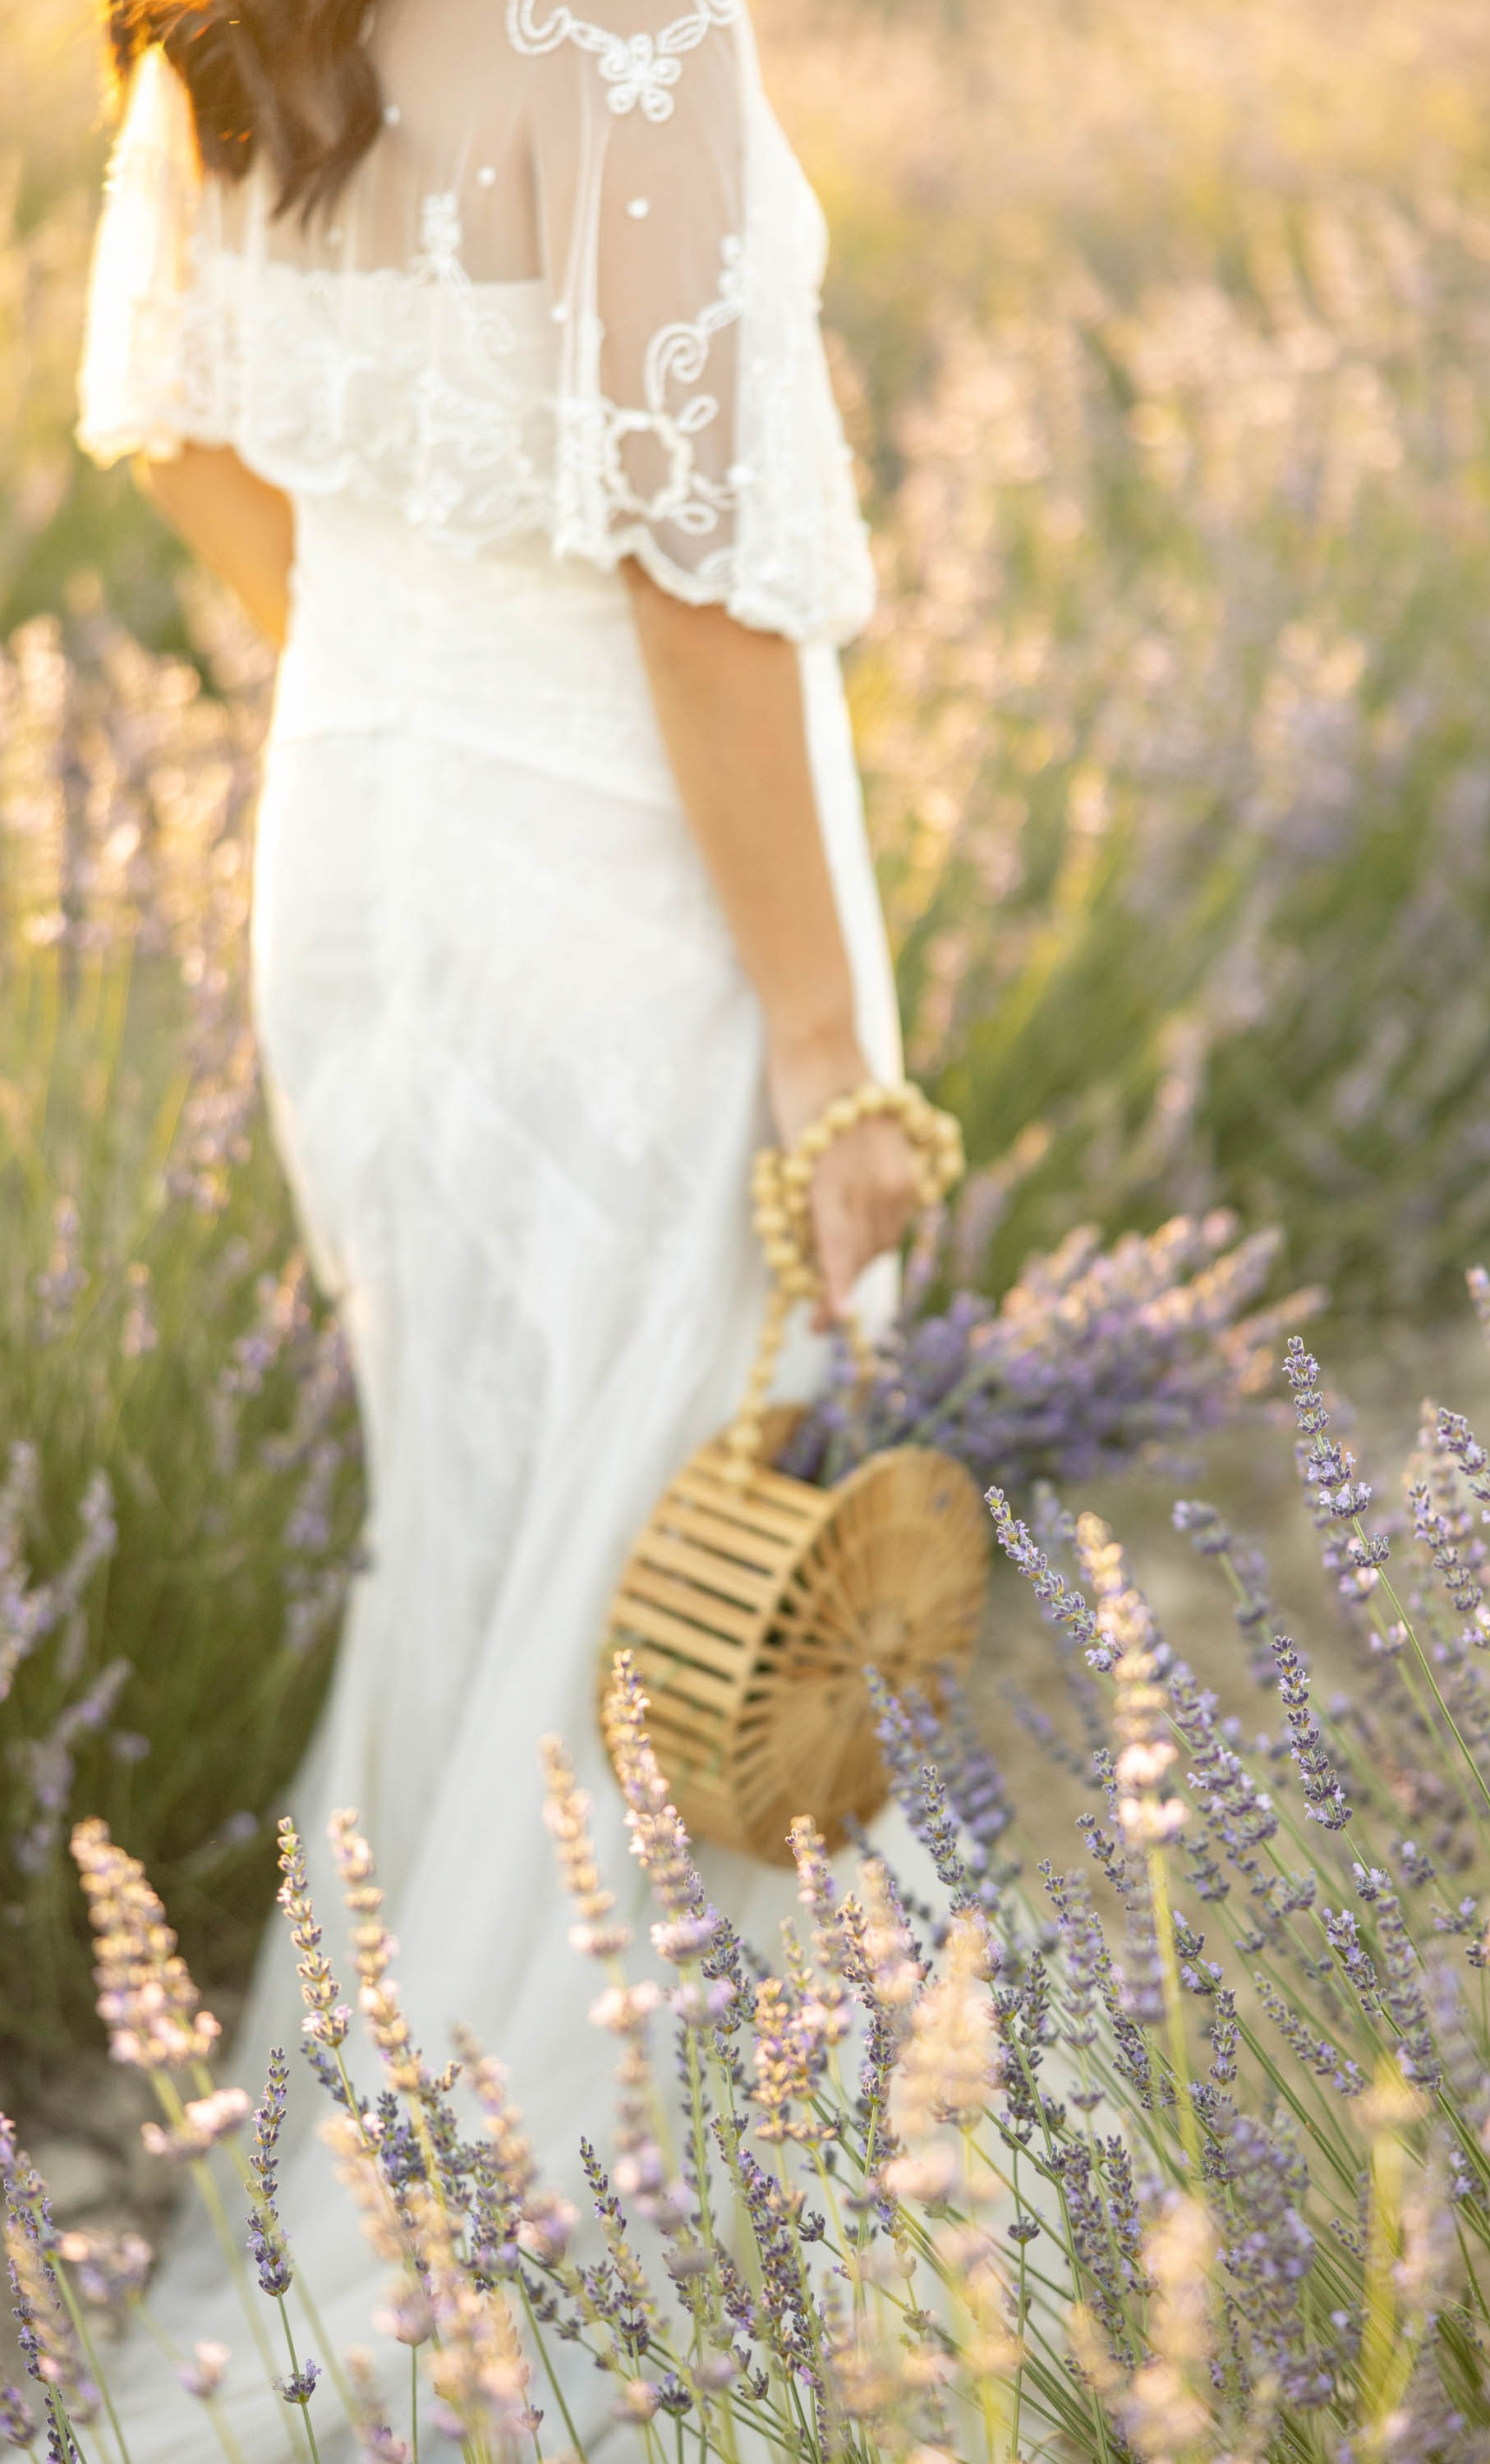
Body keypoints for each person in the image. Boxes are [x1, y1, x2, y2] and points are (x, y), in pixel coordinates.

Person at [76, 2, 938, 2453]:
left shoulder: (229, 18)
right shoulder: (630, 36)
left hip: (370, 849)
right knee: (677, 1543)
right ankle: (615, 2249)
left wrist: (398, 656)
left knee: (503, 1528)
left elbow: (170, 425)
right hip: (618, 885)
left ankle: (494, 2192)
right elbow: (692, 584)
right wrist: (824, 1059)